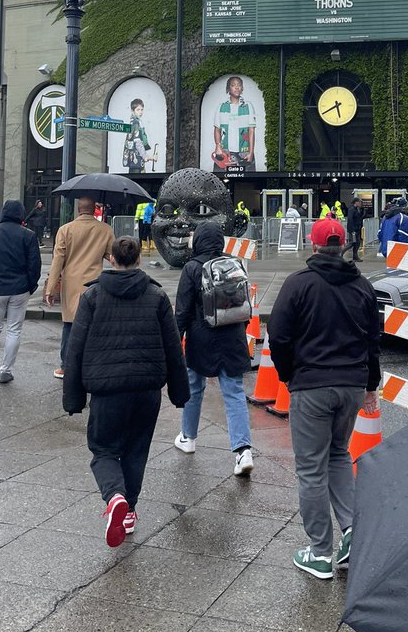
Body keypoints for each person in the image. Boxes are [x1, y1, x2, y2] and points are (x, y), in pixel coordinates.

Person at [268, 216, 380, 580]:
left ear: (313, 246)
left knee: (311, 468)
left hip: (311, 385)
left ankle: (319, 552)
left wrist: (288, 375)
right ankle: (350, 533)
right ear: (342, 245)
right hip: (351, 385)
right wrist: (370, 387)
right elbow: (372, 341)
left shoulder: (298, 285)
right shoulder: (362, 285)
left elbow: (279, 337)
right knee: (338, 455)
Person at [62, 236, 189, 546]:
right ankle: (129, 509)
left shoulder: (92, 297)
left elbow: (75, 349)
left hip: (107, 390)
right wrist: (179, 392)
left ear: (112, 260)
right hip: (146, 390)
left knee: (103, 449)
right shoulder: (156, 296)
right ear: (138, 261)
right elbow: (173, 348)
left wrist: (73, 397)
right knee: (136, 450)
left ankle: (114, 495)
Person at [173, 221, 254, 476]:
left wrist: (176, 340)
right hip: (232, 337)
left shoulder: (192, 268)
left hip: (201, 337)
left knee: (194, 388)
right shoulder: (233, 264)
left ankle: (188, 437)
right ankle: (243, 451)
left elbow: (183, 311)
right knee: (234, 392)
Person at [44, 197, 115, 380]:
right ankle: (93, 363)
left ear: (78, 209)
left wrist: (50, 289)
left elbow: (57, 260)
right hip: (94, 283)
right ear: (94, 209)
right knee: (93, 324)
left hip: (71, 283)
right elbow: (112, 256)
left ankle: (66, 366)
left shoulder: (65, 230)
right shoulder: (105, 230)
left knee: (69, 324)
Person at [0, 200, 41, 386]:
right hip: (19, 288)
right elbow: (34, 264)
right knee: (14, 329)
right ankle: (6, 370)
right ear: (20, 214)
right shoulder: (28, 235)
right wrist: (31, 286)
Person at [213, 75, 256, 172]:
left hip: (244, 153)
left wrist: (251, 152)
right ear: (228, 89)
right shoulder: (221, 107)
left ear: (242, 89)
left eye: (239, 85)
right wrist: (218, 146)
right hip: (225, 153)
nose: (236, 87)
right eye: (233, 85)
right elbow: (217, 129)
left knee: (247, 182)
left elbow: (251, 131)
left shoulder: (248, 106)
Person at [123, 98, 152, 173]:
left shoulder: (133, 122)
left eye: (142, 109)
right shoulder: (136, 123)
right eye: (138, 110)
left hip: (133, 159)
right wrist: (145, 156)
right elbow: (138, 142)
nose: (140, 112)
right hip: (136, 159)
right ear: (132, 111)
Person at [345, 198, 365, 262]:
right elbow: (350, 220)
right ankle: (341, 253)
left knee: (357, 243)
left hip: (357, 229)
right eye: (359, 202)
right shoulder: (351, 209)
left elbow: (360, 217)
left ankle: (355, 257)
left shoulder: (357, 209)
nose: (360, 203)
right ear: (355, 202)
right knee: (351, 243)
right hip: (353, 229)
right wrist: (352, 230)